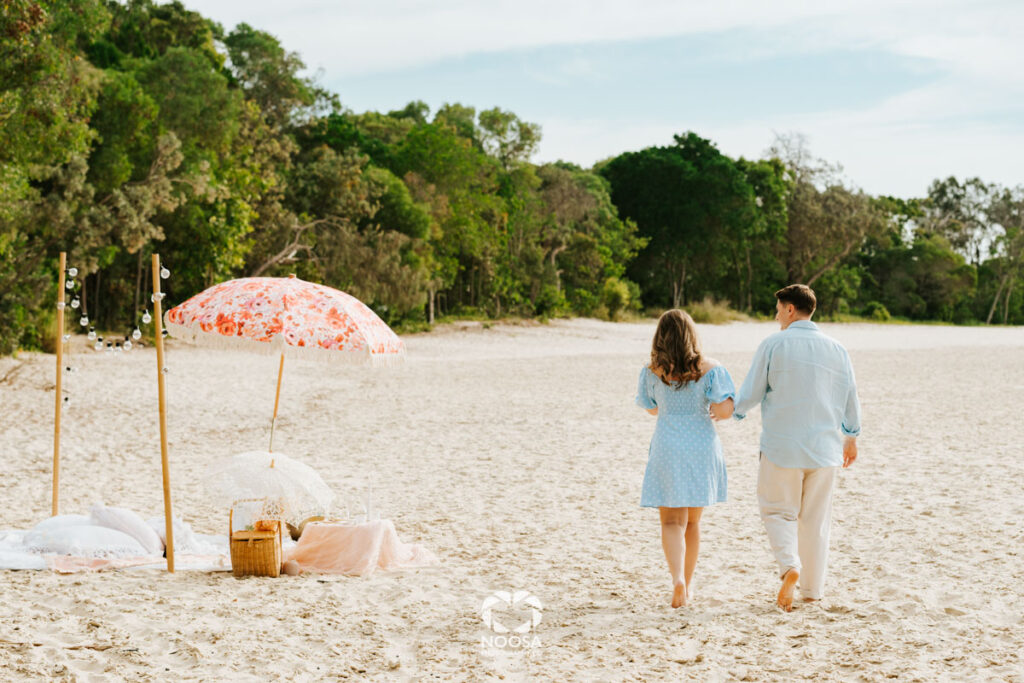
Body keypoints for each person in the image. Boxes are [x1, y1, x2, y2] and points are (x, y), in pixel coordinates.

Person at [730, 284, 861, 611]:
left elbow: (752, 391)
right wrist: (851, 437)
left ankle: (790, 567)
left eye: (778, 310)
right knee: (816, 522)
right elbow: (850, 396)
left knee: (777, 511)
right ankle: (812, 592)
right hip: (825, 450)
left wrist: (733, 410)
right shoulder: (837, 349)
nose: (776, 317)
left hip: (781, 447)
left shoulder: (774, 344)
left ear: (790, 309)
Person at [636, 309, 736, 608]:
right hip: (701, 447)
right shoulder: (711, 369)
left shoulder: (652, 371)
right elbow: (725, 410)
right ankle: (688, 586)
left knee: (671, 522)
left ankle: (677, 579)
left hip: (668, 445)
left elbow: (651, 408)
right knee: (692, 522)